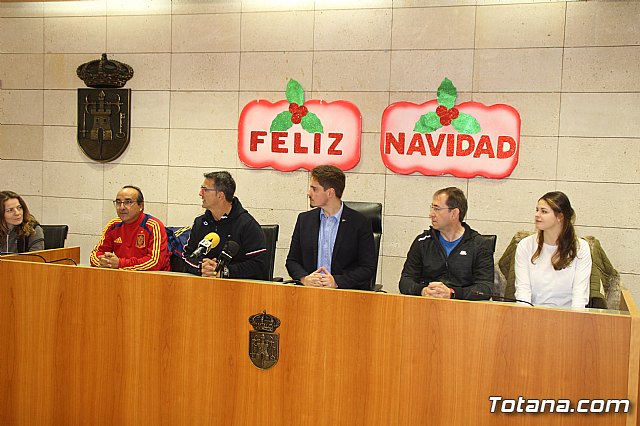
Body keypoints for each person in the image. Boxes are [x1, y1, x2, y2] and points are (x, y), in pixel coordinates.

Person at [286, 165, 376, 290]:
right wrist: (304, 278)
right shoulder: (304, 220)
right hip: (310, 292)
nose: (309, 193)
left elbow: (367, 267)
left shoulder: (359, 223)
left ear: (330, 193)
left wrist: (337, 282)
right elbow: (292, 261)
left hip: (344, 293)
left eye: (314, 189)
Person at [399, 187, 493, 300]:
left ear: (454, 213)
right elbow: (405, 281)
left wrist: (452, 293)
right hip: (426, 304)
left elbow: (485, 288)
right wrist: (423, 291)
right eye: (432, 208)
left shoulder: (479, 245)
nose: (431, 214)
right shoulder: (423, 242)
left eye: (437, 209)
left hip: (462, 307)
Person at [182, 171, 268, 280]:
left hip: (238, 287)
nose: (200, 193)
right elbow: (186, 256)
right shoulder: (200, 222)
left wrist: (225, 271)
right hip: (204, 286)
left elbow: (259, 264)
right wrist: (201, 268)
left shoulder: (247, 224)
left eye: (205, 189)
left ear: (220, 195)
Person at [514, 191, 591, 308]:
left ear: (560, 217)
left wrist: (574, 317)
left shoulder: (581, 248)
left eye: (544, 211)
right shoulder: (525, 245)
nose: (537, 215)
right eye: (537, 210)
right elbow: (522, 290)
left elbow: (580, 295)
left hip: (568, 314)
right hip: (533, 313)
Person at [90, 185, 170, 271]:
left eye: (128, 202)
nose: (122, 207)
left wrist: (120, 264)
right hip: (122, 275)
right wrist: (106, 263)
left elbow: (155, 262)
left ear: (141, 206)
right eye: (118, 202)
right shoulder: (113, 225)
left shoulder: (153, 226)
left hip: (152, 277)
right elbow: (94, 256)